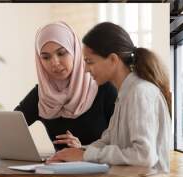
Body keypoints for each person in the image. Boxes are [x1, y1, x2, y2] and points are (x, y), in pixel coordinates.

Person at [47, 22, 172, 173]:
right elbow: (108, 140)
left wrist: (86, 155)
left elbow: (144, 155)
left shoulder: (140, 92)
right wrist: (78, 152)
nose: (85, 69)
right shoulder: (125, 93)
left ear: (113, 60)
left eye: (90, 62)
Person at [10, 22, 117, 151]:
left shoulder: (104, 88)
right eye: (46, 57)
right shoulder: (42, 94)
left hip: (101, 170)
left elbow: (122, 144)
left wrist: (83, 149)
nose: (54, 63)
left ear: (75, 52)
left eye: (61, 53)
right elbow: (0, 136)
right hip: (58, 170)